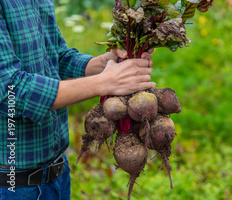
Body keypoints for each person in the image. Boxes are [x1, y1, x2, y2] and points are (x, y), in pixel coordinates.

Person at [0, 1, 155, 199]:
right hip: (13, 184)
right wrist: (103, 83)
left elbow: (58, 58)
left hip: (58, 174)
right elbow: (10, 91)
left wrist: (103, 63)